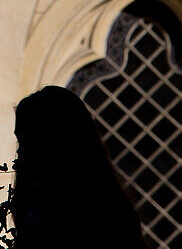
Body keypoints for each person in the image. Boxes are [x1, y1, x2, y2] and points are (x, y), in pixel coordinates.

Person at [12, 86, 149, 249]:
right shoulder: (35, 204)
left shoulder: (100, 212)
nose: (20, 151)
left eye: (27, 141)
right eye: (20, 141)